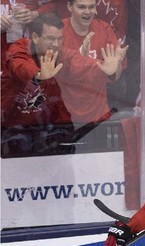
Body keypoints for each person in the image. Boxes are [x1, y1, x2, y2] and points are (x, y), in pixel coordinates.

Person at [1, 13, 124, 156]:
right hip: (11, 129)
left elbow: (79, 62)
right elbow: (20, 67)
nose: (56, 44)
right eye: (51, 39)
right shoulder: (19, 49)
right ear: (35, 37)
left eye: (60, 39)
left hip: (47, 130)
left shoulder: (61, 54)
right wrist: (39, 75)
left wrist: (104, 68)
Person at [58, 0, 128, 124]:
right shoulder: (59, 31)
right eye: (81, 7)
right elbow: (56, 75)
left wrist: (116, 65)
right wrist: (80, 58)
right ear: (69, 7)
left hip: (98, 115)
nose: (87, 12)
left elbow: (115, 75)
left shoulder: (104, 29)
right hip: (65, 115)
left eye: (91, 7)